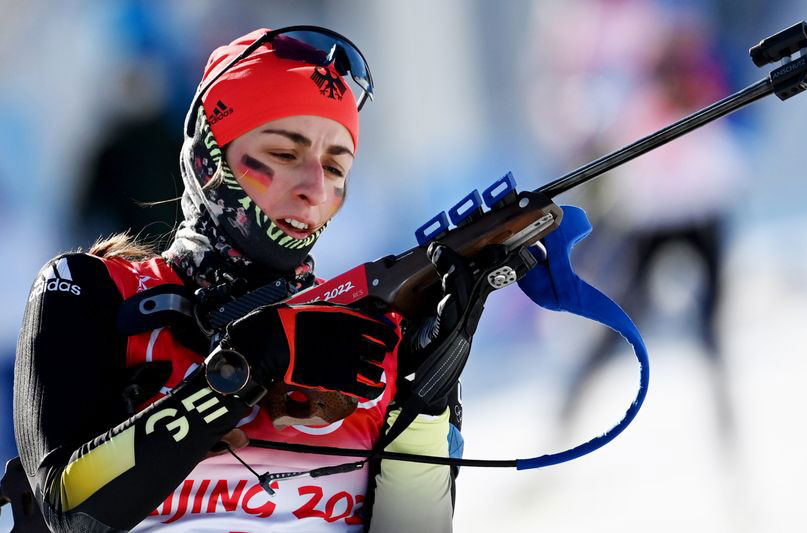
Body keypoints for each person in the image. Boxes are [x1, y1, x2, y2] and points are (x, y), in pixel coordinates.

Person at [11, 27, 475, 532]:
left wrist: (425, 408)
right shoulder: (92, 291)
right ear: (209, 159)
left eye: (336, 165)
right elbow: (70, 506)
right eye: (284, 154)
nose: (315, 189)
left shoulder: (356, 341)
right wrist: (242, 372)